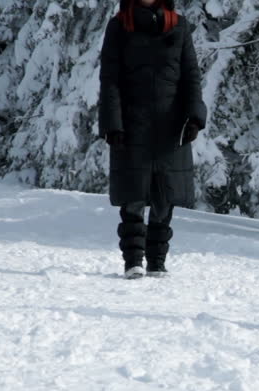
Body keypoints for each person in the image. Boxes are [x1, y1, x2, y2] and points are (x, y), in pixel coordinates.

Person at [98, 0, 207, 279]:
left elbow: (191, 76)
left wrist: (194, 117)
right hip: (132, 124)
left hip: (170, 125)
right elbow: (110, 79)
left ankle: (157, 260)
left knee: (164, 195)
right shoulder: (120, 25)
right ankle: (133, 260)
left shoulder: (178, 25)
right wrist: (113, 123)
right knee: (134, 195)